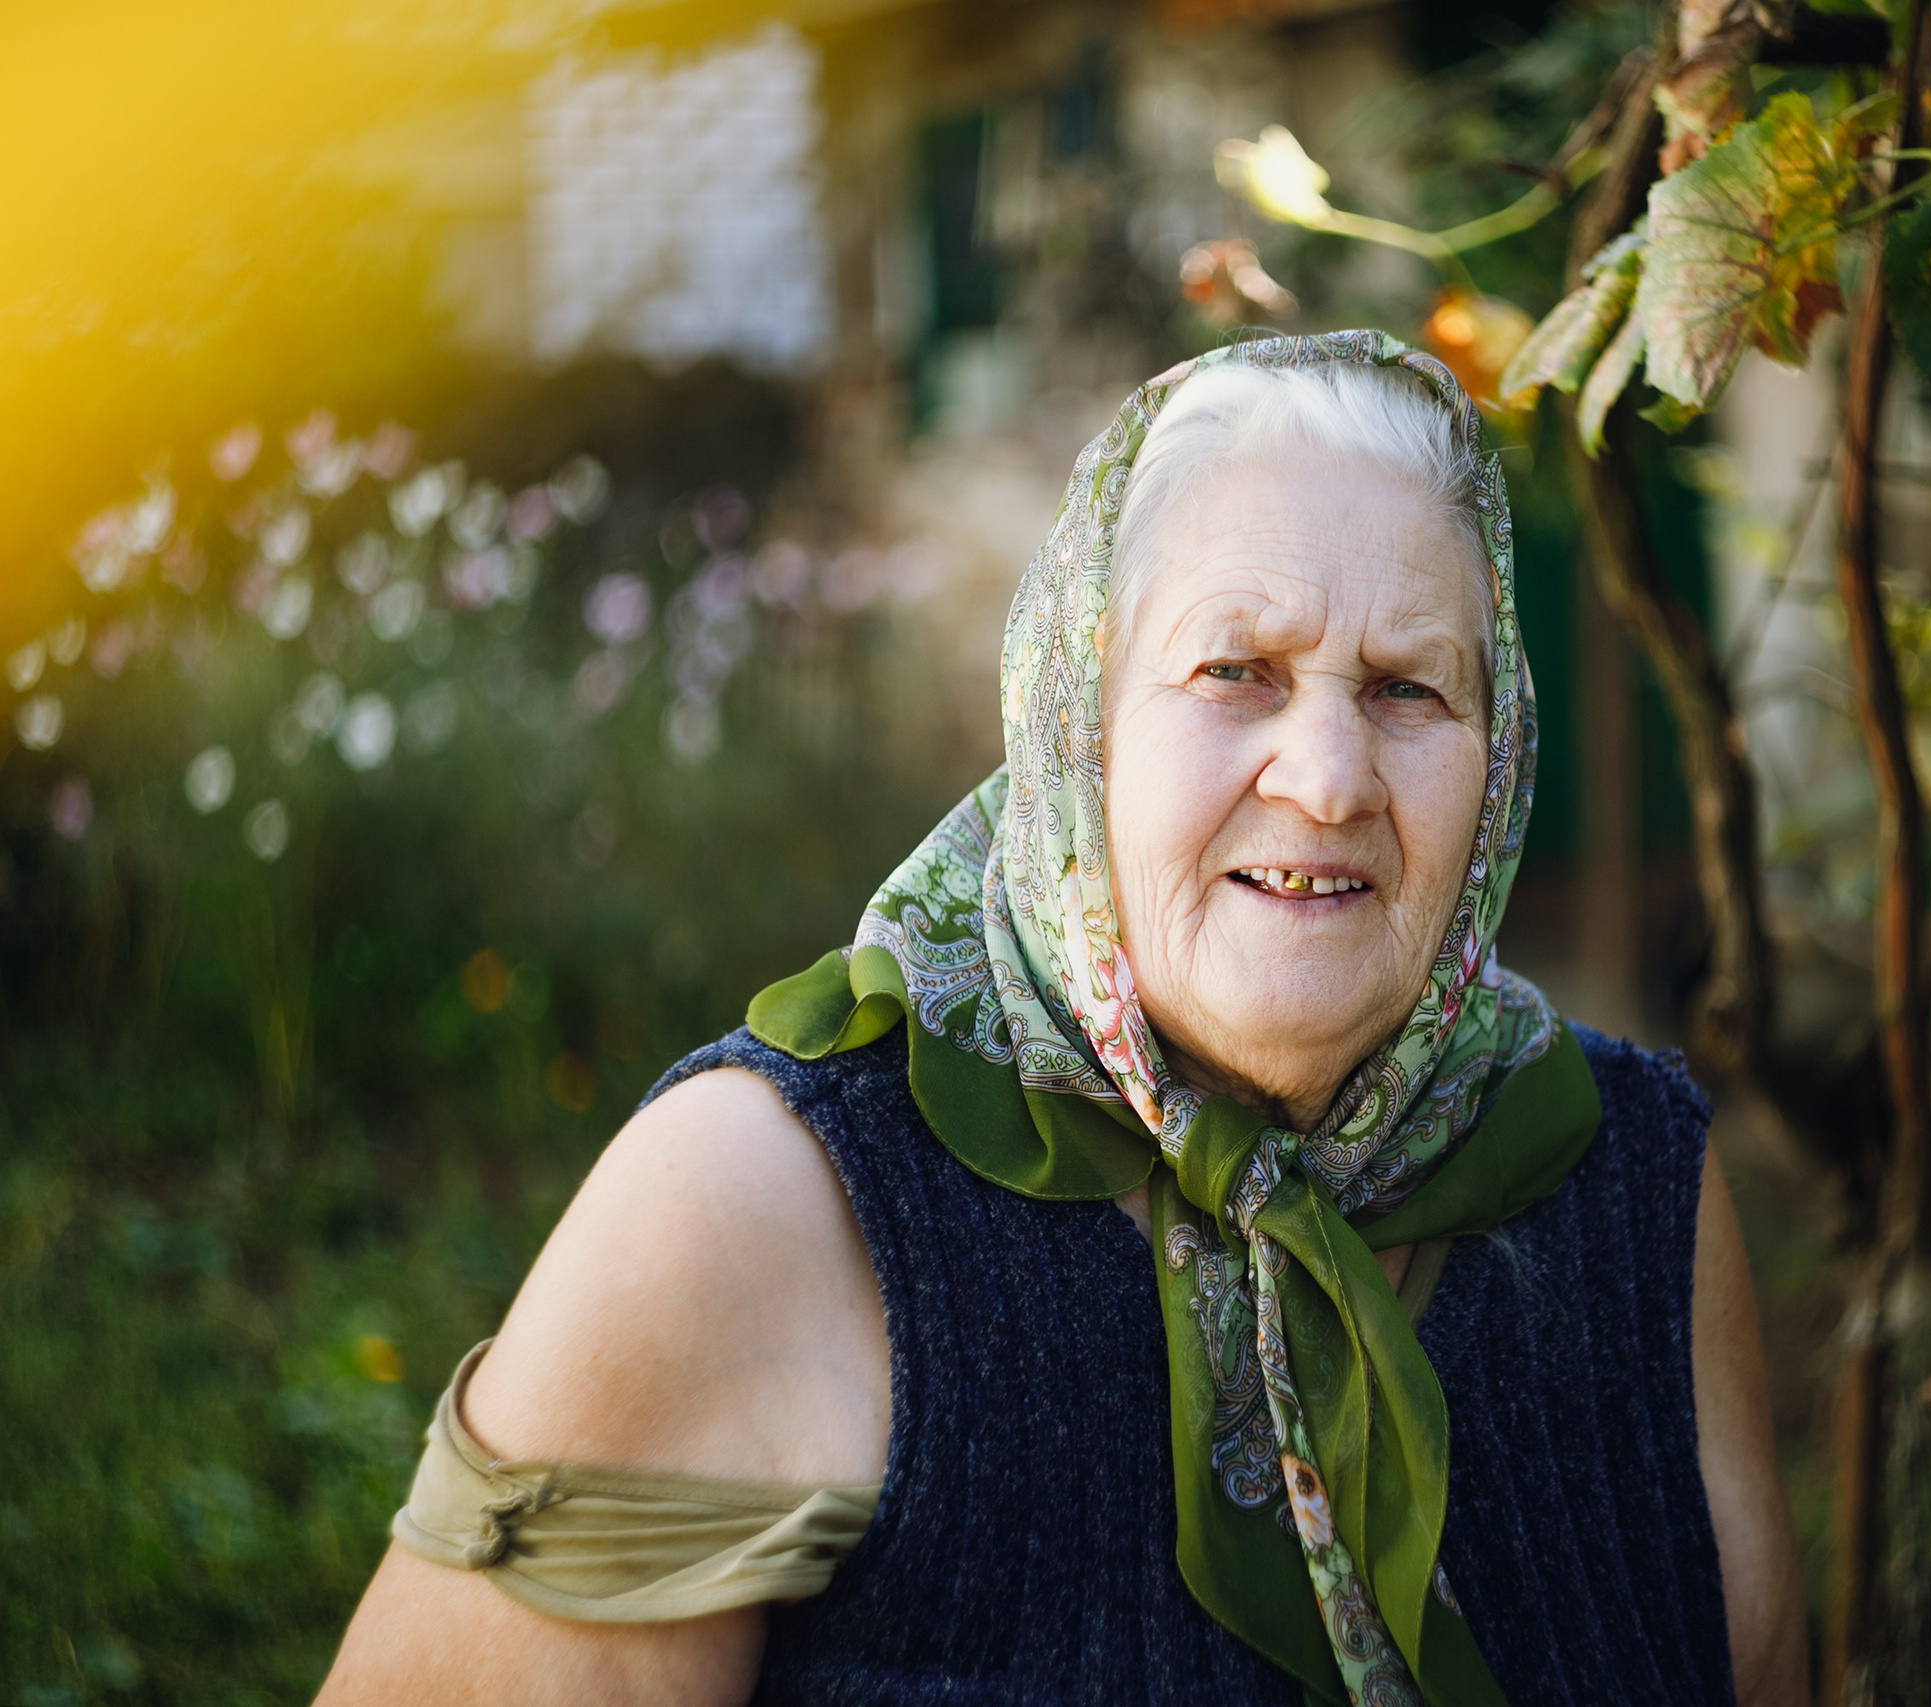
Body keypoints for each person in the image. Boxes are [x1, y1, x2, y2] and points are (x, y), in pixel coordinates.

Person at [316, 331, 1806, 1707]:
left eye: (1413, 690)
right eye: (1237, 671)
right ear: (1073, 724)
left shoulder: (1625, 1184)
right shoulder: (761, 1203)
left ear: (1503, 759)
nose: (1332, 779)